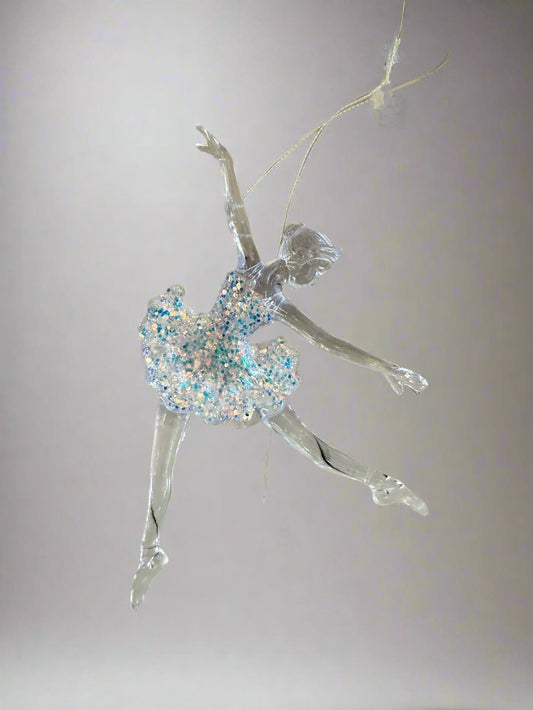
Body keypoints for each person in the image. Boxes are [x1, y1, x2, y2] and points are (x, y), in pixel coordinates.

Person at [130, 127, 428, 609]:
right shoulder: (260, 277)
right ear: (301, 261)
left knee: (291, 439)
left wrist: (385, 366)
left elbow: (328, 342)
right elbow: (236, 213)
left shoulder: (267, 286)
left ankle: (377, 482)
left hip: (223, 366)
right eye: (318, 268)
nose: (318, 276)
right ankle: (150, 551)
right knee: (168, 457)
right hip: (204, 359)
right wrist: (226, 163)